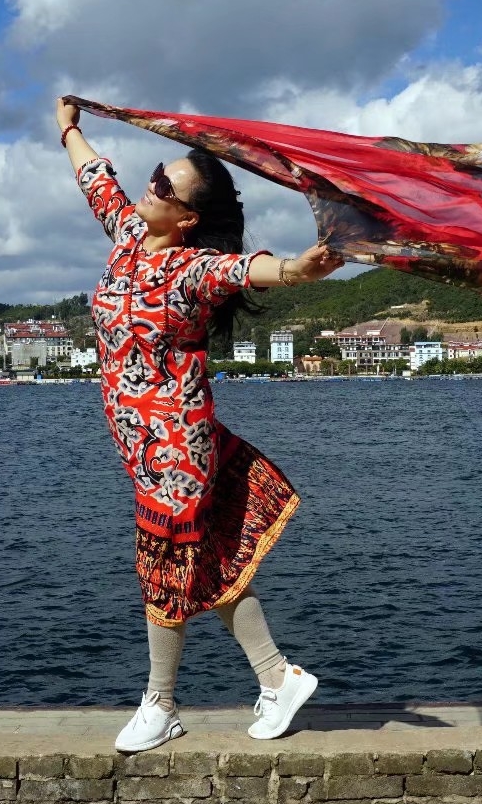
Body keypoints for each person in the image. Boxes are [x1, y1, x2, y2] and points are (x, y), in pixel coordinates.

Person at [57, 97, 345, 753]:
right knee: (212, 568)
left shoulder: (190, 270)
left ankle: (160, 704)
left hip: (174, 454)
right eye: (157, 174)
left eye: (165, 186)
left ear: (187, 219)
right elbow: (96, 179)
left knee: (164, 572)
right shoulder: (129, 237)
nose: (152, 184)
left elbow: (247, 269)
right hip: (149, 448)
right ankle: (278, 677)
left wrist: (297, 270)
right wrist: (70, 127)